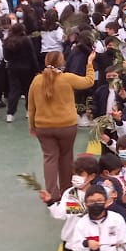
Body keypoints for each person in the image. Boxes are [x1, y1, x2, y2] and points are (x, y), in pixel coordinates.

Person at [28, 51, 98, 193]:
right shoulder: (67, 78)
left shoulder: (37, 80)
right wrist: (89, 63)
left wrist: (32, 126)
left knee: (49, 159)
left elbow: (31, 106)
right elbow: (89, 81)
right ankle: (66, 191)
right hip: (67, 126)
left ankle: (52, 194)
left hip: (43, 127)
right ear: (61, 63)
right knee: (66, 157)